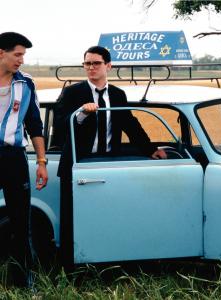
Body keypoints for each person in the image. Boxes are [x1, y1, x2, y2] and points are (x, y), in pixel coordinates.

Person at [55, 45, 167, 268]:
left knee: (107, 215)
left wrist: (149, 149)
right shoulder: (72, 92)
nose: (91, 67)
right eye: (87, 63)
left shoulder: (117, 94)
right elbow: (59, 126)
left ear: (108, 65)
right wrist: (81, 114)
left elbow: (129, 123)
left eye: (96, 63)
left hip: (106, 164)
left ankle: (105, 264)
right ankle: (71, 269)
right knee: (72, 219)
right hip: (77, 164)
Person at [0, 32, 48, 287]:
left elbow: (35, 125)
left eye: (23, 55)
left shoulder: (26, 83)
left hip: (14, 158)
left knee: (21, 223)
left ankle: (22, 283)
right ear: (1, 53)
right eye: (17, 54)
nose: (21, 60)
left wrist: (41, 162)